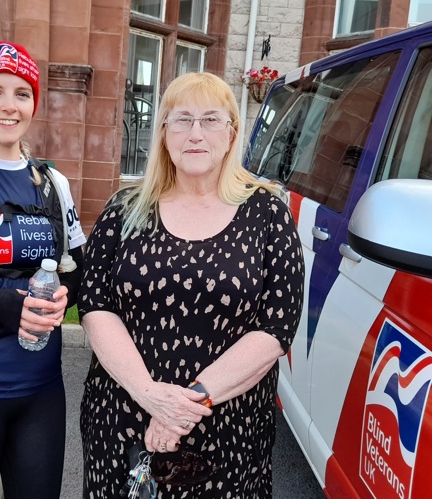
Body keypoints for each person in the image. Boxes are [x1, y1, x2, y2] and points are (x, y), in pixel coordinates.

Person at [78, 71, 305, 499]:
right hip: (126, 417)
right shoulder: (125, 208)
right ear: (163, 132)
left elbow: (277, 326)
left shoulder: (269, 213)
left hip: (228, 426)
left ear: (232, 132)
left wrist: (186, 405)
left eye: (210, 119)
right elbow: (95, 305)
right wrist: (150, 396)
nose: (195, 133)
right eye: (181, 119)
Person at [0, 41, 86, 499]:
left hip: (41, 392)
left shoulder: (53, 183)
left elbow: (76, 266)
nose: (8, 106)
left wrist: (64, 292)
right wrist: (10, 309)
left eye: (21, 93)